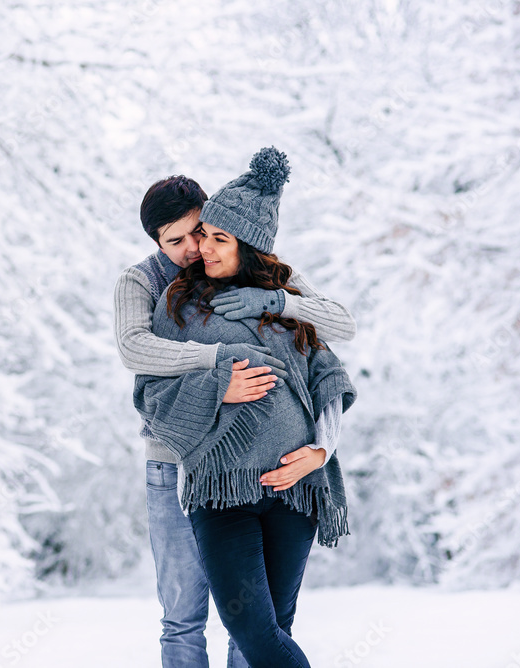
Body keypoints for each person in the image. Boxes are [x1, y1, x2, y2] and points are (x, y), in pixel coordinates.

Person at [113, 167, 356, 668]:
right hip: (181, 465)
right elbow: (136, 352)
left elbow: (335, 336)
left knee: (256, 626)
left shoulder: (268, 276)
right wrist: (218, 366)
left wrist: (279, 301)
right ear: (157, 241)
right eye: (175, 240)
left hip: (280, 480)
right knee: (184, 616)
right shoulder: (151, 286)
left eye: (202, 232)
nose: (194, 248)